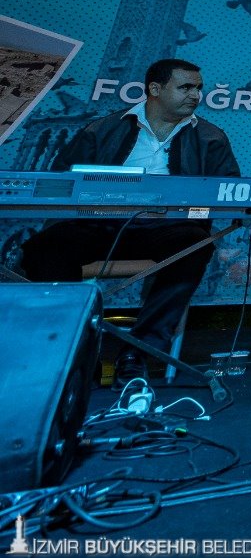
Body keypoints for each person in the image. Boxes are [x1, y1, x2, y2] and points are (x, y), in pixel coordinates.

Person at [20, 58, 239, 382]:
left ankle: (138, 353)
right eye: (186, 87)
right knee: (47, 245)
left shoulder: (211, 137)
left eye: (199, 88)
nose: (196, 95)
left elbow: (228, 189)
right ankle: (70, 353)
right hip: (98, 225)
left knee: (194, 244)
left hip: (167, 228)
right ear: (155, 89)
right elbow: (63, 180)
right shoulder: (103, 128)